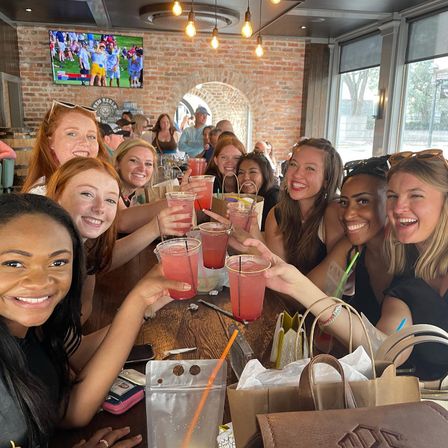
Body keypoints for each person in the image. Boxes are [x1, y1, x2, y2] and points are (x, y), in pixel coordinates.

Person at [0, 193, 189, 447]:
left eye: (58, 262)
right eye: (14, 263)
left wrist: (139, 301)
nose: (41, 281)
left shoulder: (31, 329)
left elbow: (69, 412)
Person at [245, 149, 448, 381]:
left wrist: (304, 289)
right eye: (393, 196)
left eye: (416, 195)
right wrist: (296, 284)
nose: (399, 207)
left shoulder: (407, 260)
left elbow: (388, 352)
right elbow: (386, 348)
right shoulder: (397, 262)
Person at [46, 157, 189, 322]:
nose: (99, 208)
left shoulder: (83, 252)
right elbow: (73, 346)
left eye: (110, 200)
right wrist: (138, 300)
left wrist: (147, 305)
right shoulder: (48, 262)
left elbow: (76, 337)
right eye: (86, 194)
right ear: (57, 195)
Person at [307, 156, 391, 325]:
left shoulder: (411, 263)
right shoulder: (352, 247)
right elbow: (310, 290)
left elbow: (387, 345)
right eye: (344, 202)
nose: (348, 214)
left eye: (363, 201)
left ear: (390, 203)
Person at [264, 138, 344, 274]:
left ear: (327, 180)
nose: (297, 174)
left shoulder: (334, 213)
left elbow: (334, 283)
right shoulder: (277, 214)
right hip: (284, 293)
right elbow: (278, 276)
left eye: (310, 168)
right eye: (293, 164)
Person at [22, 101, 109, 194]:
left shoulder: (103, 182)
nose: (85, 142)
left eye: (91, 136)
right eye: (72, 134)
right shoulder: (41, 194)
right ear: (50, 142)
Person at [236, 152, 280, 231]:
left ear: (265, 174)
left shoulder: (274, 198)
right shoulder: (242, 198)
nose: (245, 178)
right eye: (241, 173)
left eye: (252, 172)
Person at [114, 139, 157, 208]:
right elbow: (124, 216)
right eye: (134, 161)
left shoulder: (136, 196)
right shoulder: (110, 189)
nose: (142, 168)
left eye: (148, 164)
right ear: (117, 163)